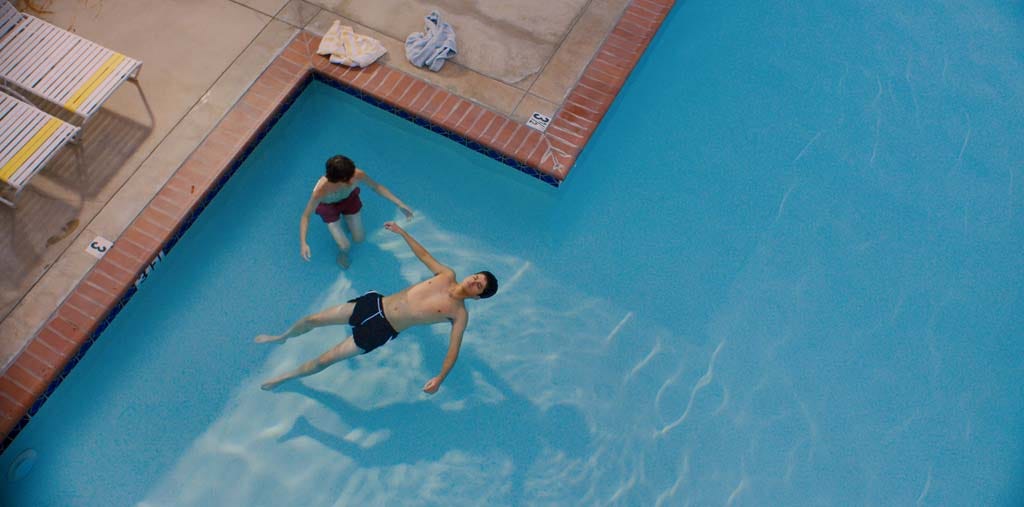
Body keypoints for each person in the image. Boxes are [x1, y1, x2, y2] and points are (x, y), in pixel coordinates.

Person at [257, 221, 498, 393]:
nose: (474, 281)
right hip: (373, 304)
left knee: (324, 361)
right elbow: (424, 255)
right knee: (312, 320)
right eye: (476, 276)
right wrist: (402, 232)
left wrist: (440, 378)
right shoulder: (447, 274)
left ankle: (287, 377)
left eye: (478, 286)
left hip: (380, 330)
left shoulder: (458, 314)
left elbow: (453, 350)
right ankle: (282, 337)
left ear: (477, 297)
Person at [300, 155, 413, 268]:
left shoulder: (356, 173)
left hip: (349, 200)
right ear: (338, 180)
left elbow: (377, 187)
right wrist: (303, 242)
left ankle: (347, 220)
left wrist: (400, 204)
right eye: (348, 179)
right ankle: (342, 255)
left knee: (359, 238)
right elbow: (306, 216)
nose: (353, 179)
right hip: (329, 207)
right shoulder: (320, 191)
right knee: (345, 245)